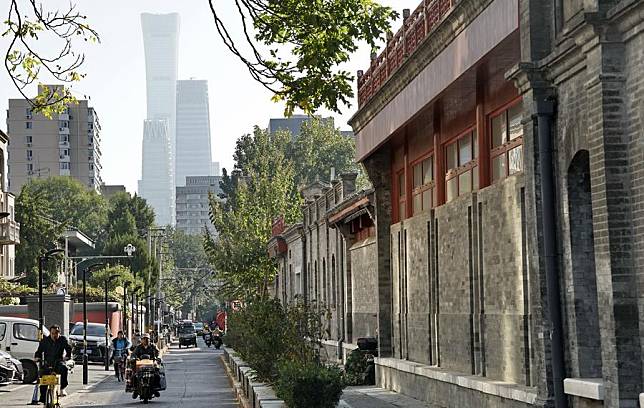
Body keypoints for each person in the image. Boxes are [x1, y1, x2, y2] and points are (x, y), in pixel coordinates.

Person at [34, 324, 72, 402]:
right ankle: (43, 397)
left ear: (59, 333)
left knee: (64, 369)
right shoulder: (45, 340)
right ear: (50, 333)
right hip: (48, 363)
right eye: (53, 333)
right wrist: (37, 357)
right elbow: (39, 351)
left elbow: (68, 349)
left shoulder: (62, 339)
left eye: (56, 333)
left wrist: (67, 356)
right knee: (42, 375)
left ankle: (62, 388)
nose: (54, 335)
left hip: (58, 362)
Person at [130, 333, 161, 398]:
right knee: (133, 376)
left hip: (151, 365)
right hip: (140, 366)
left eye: (147, 339)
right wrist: (133, 358)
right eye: (144, 339)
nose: (145, 340)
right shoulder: (138, 347)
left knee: (157, 375)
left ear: (149, 340)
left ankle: (155, 389)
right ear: (141, 340)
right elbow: (133, 354)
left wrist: (157, 358)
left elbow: (158, 353)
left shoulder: (153, 346)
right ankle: (135, 390)